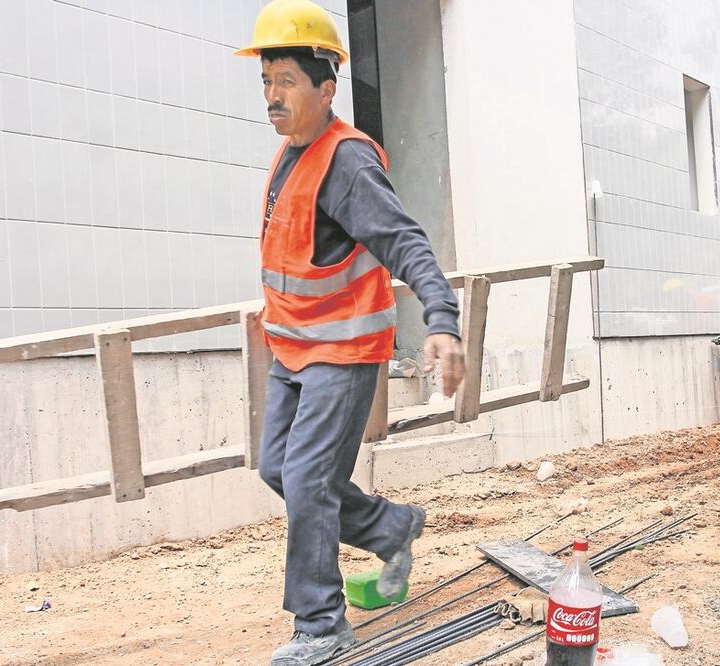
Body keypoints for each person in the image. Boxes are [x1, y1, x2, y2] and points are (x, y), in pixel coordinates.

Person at [234, 1, 465, 663]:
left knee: (308, 479)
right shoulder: (292, 153)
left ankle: (321, 625)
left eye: (286, 81)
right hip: (293, 348)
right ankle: (392, 528)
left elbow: (406, 242)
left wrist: (442, 320)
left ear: (326, 88)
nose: (272, 96)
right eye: (267, 80)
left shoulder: (347, 164)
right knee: (278, 469)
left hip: (343, 350)